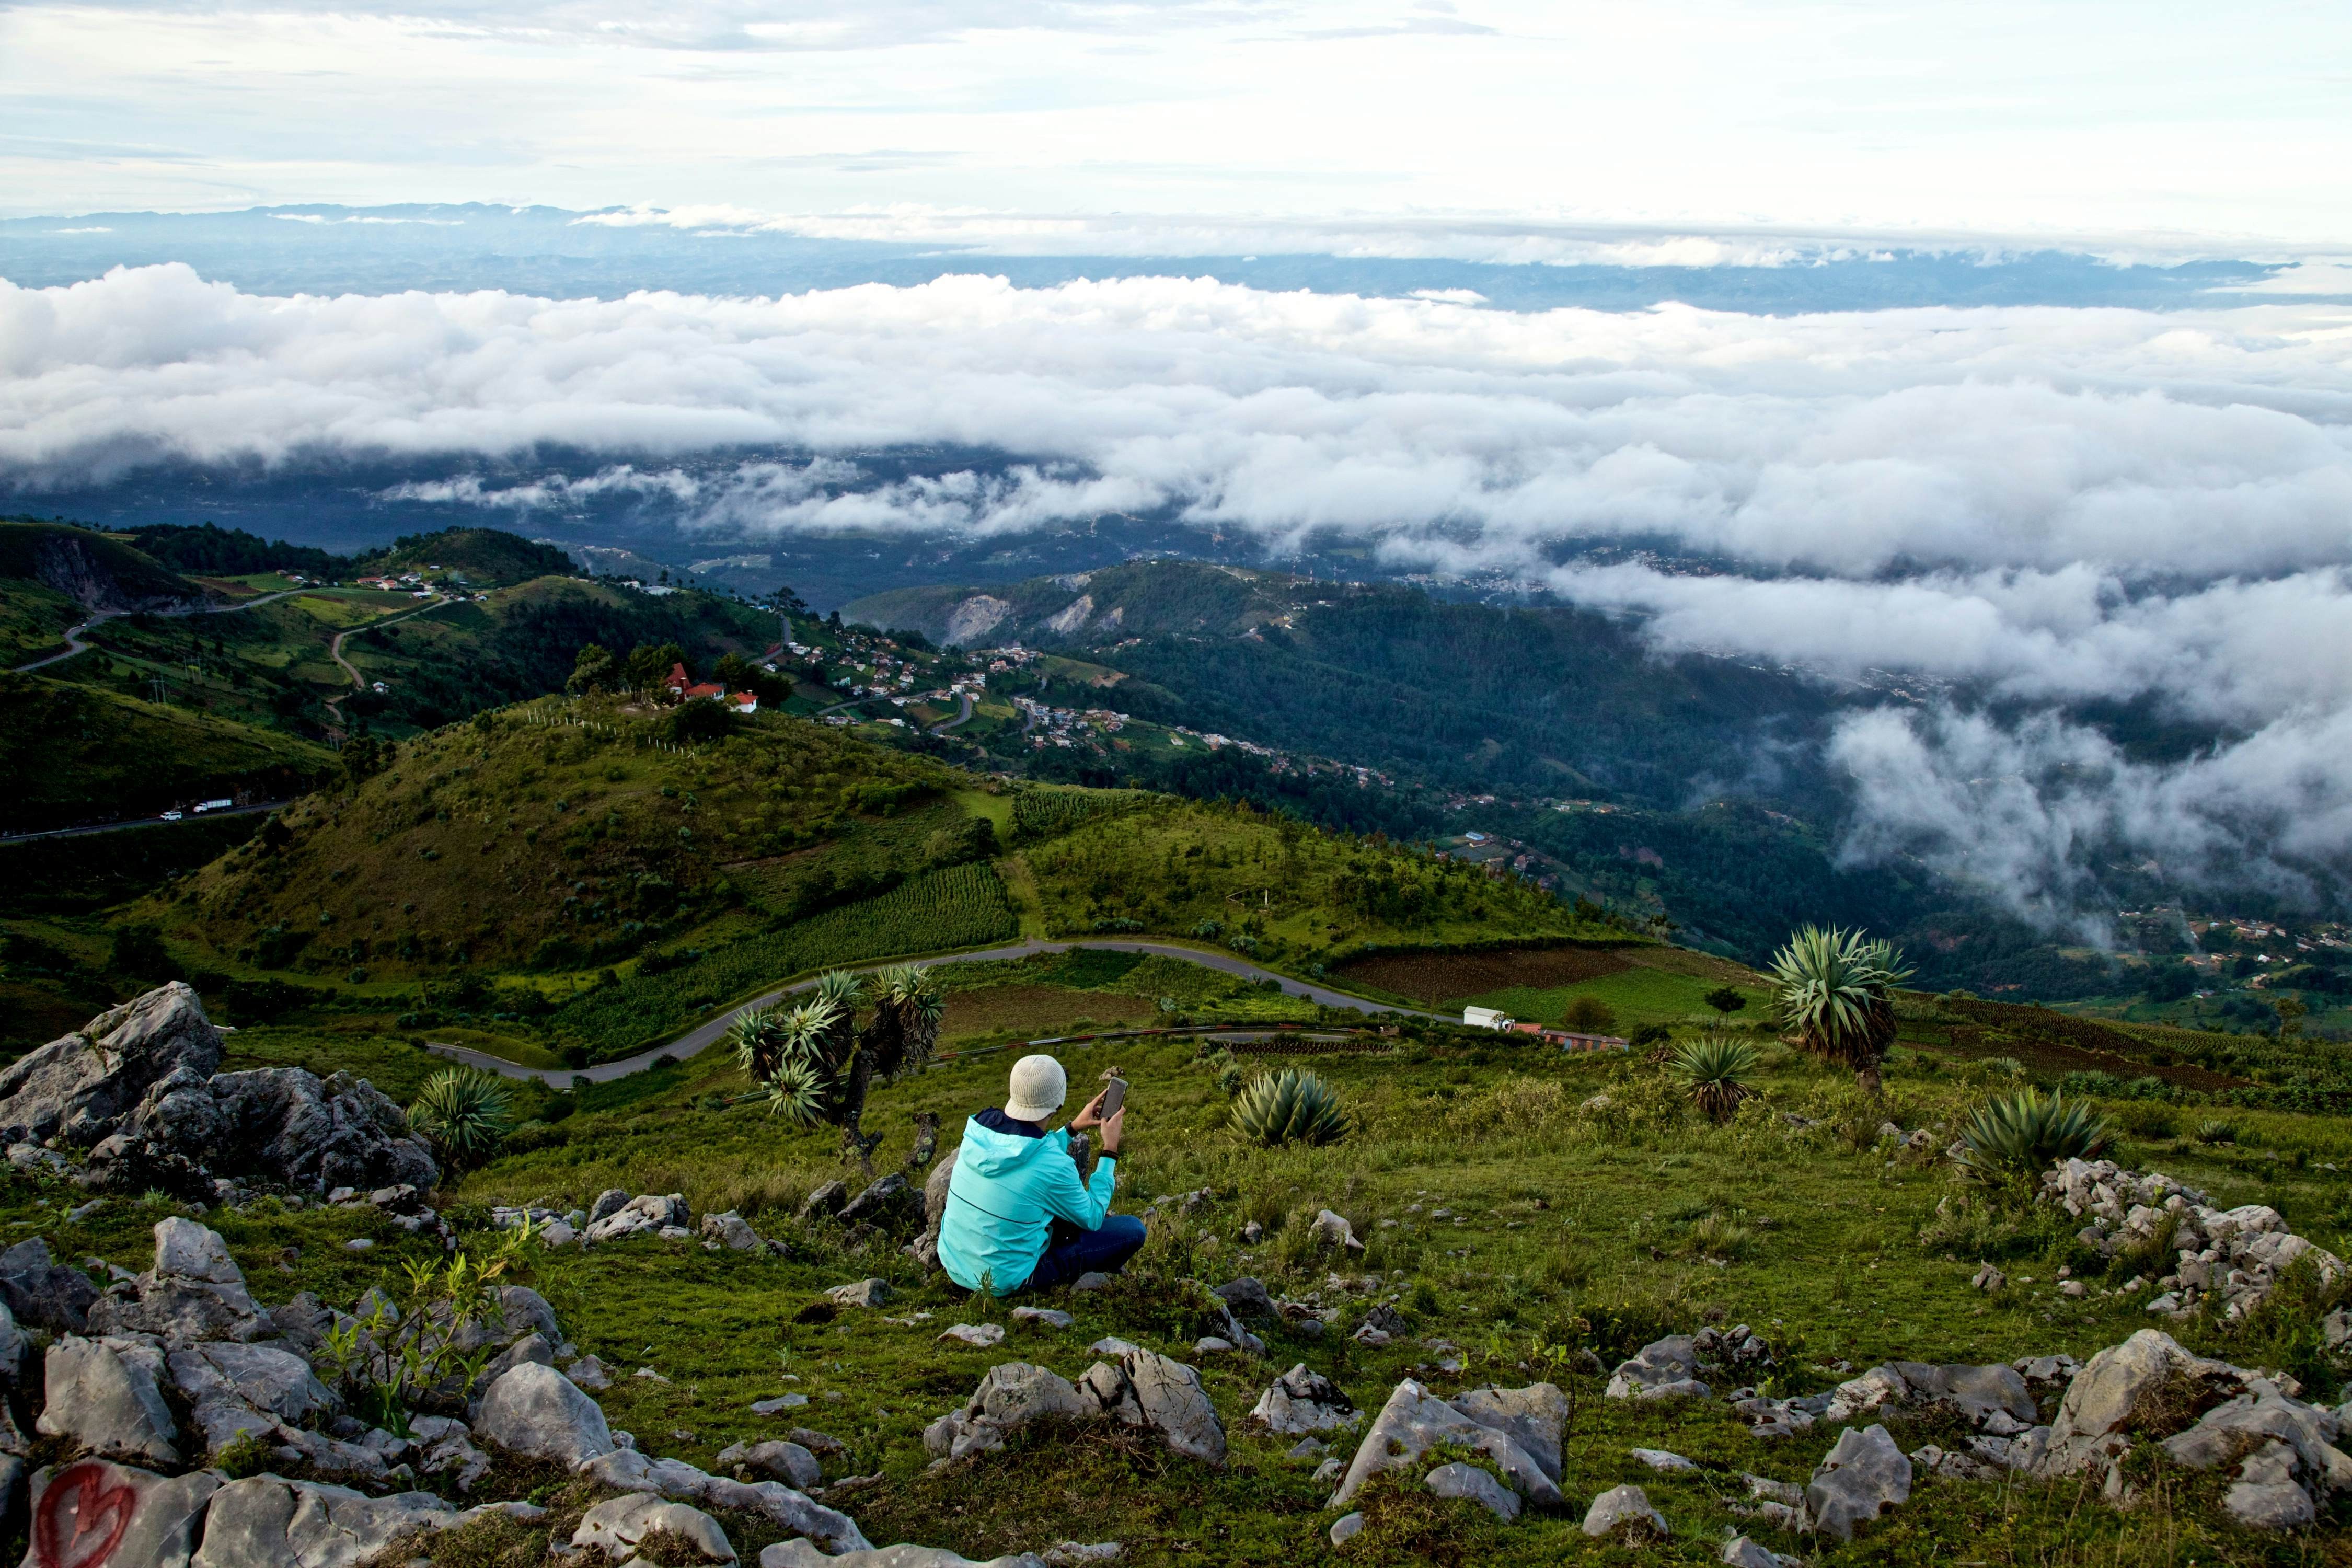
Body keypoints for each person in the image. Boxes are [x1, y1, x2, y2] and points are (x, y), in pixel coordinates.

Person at [938, 1054, 1144, 1294]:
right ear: (1059, 1101)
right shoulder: (1054, 1165)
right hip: (1004, 1280)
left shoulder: (978, 1130)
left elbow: (1026, 1150)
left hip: (954, 1264)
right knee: (1132, 1230)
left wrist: (1071, 1129)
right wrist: (1110, 1150)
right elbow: (1093, 1217)